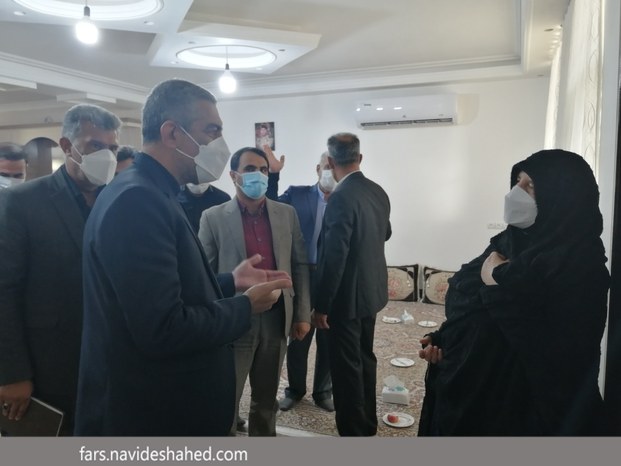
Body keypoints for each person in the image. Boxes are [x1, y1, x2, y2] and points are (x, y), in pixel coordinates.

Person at [74, 79, 291, 436]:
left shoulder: (152, 191)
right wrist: (244, 306)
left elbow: (162, 289)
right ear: (172, 133)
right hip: (149, 416)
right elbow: (163, 328)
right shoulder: (138, 200)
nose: (220, 143)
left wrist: (230, 281)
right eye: (212, 131)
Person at [418, 149, 610, 436]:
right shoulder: (508, 242)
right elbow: (472, 302)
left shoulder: (580, 268)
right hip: (466, 395)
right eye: (517, 181)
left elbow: (560, 357)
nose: (515, 193)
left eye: (530, 185)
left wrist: (497, 282)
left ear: (562, 197)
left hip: (515, 413)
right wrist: (447, 338)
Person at [0, 104, 121, 434]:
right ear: (67, 146)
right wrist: (12, 373)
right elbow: (4, 291)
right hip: (49, 367)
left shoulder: (118, 200)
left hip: (111, 363)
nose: (107, 156)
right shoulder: (23, 202)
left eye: (112, 148)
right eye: (95, 146)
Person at [198, 146, 310, 436]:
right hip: (235, 319)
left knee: (266, 397)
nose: (257, 175)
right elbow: (203, 276)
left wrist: (301, 314)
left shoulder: (286, 214)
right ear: (234, 175)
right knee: (226, 397)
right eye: (249, 169)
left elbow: (299, 264)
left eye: (263, 170)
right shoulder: (213, 217)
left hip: (276, 318)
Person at [312, 132, 392, 436]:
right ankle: (368, 424)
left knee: (346, 370)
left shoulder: (341, 197)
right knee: (365, 359)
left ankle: (353, 433)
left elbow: (334, 257)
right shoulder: (377, 191)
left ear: (331, 162)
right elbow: (386, 232)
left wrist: (322, 306)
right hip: (371, 293)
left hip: (345, 301)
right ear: (360, 158)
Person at [267, 150, 336, 413]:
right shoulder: (296, 194)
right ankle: (295, 390)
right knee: (298, 335)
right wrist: (273, 176)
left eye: (334, 166)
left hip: (331, 275)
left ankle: (323, 391)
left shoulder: (346, 199)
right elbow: (270, 207)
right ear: (317, 169)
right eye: (326, 166)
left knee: (328, 337)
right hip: (302, 274)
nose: (330, 171)